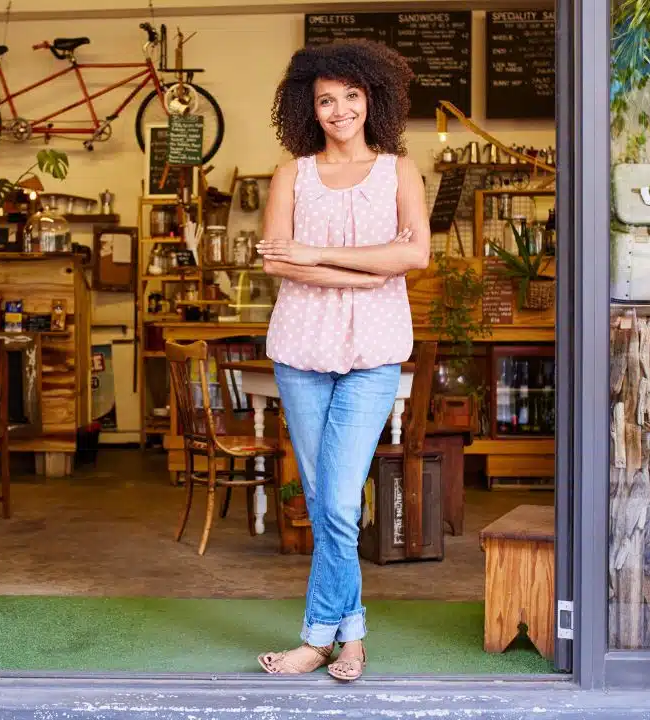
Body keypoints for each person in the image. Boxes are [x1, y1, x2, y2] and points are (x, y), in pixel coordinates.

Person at [253, 39, 430, 681]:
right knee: (330, 499)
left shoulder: (399, 171)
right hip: (300, 353)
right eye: (326, 100)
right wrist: (364, 266)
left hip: (374, 355)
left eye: (351, 96)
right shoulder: (291, 174)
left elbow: (415, 257)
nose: (339, 110)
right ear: (309, 106)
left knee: (335, 501)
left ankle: (314, 637)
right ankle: (350, 636)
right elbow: (275, 260)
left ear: (372, 98)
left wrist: (320, 258)